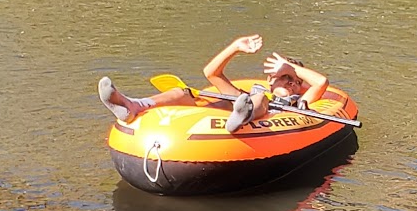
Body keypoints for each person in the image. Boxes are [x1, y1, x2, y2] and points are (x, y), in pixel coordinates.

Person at [100, 34, 331, 136]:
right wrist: (235, 47)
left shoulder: (299, 102)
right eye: (284, 77)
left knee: (259, 99)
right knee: (184, 93)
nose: (290, 82)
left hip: (266, 114)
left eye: (294, 81)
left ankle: (245, 115)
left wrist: (291, 68)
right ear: (271, 79)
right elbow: (211, 73)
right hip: (238, 105)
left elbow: (321, 82)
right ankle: (134, 105)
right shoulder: (249, 92)